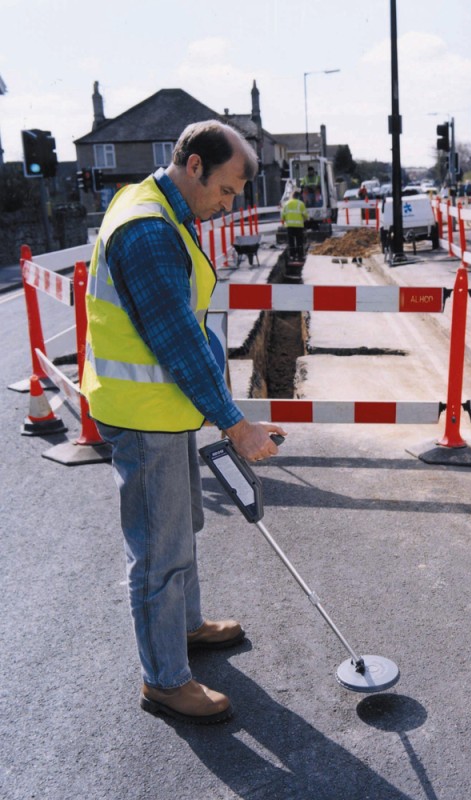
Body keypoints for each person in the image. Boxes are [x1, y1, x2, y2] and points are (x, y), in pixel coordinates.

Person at [82, 120, 286, 725]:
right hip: (144, 417)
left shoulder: (154, 206)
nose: (227, 205)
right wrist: (235, 425)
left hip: (161, 411)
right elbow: (176, 339)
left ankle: (186, 626)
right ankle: (165, 680)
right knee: (159, 549)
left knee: (180, 530)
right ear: (194, 165)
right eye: (225, 190)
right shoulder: (148, 229)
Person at [280, 189, 308, 261]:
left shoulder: (286, 204)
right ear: (298, 197)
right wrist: (305, 220)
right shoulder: (301, 204)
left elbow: (282, 216)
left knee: (291, 241)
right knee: (299, 241)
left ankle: (292, 255)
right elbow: (305, 215)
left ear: (291, 196)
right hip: (299, 226)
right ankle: (300, 255)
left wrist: (283, 223)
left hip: (289, 226)